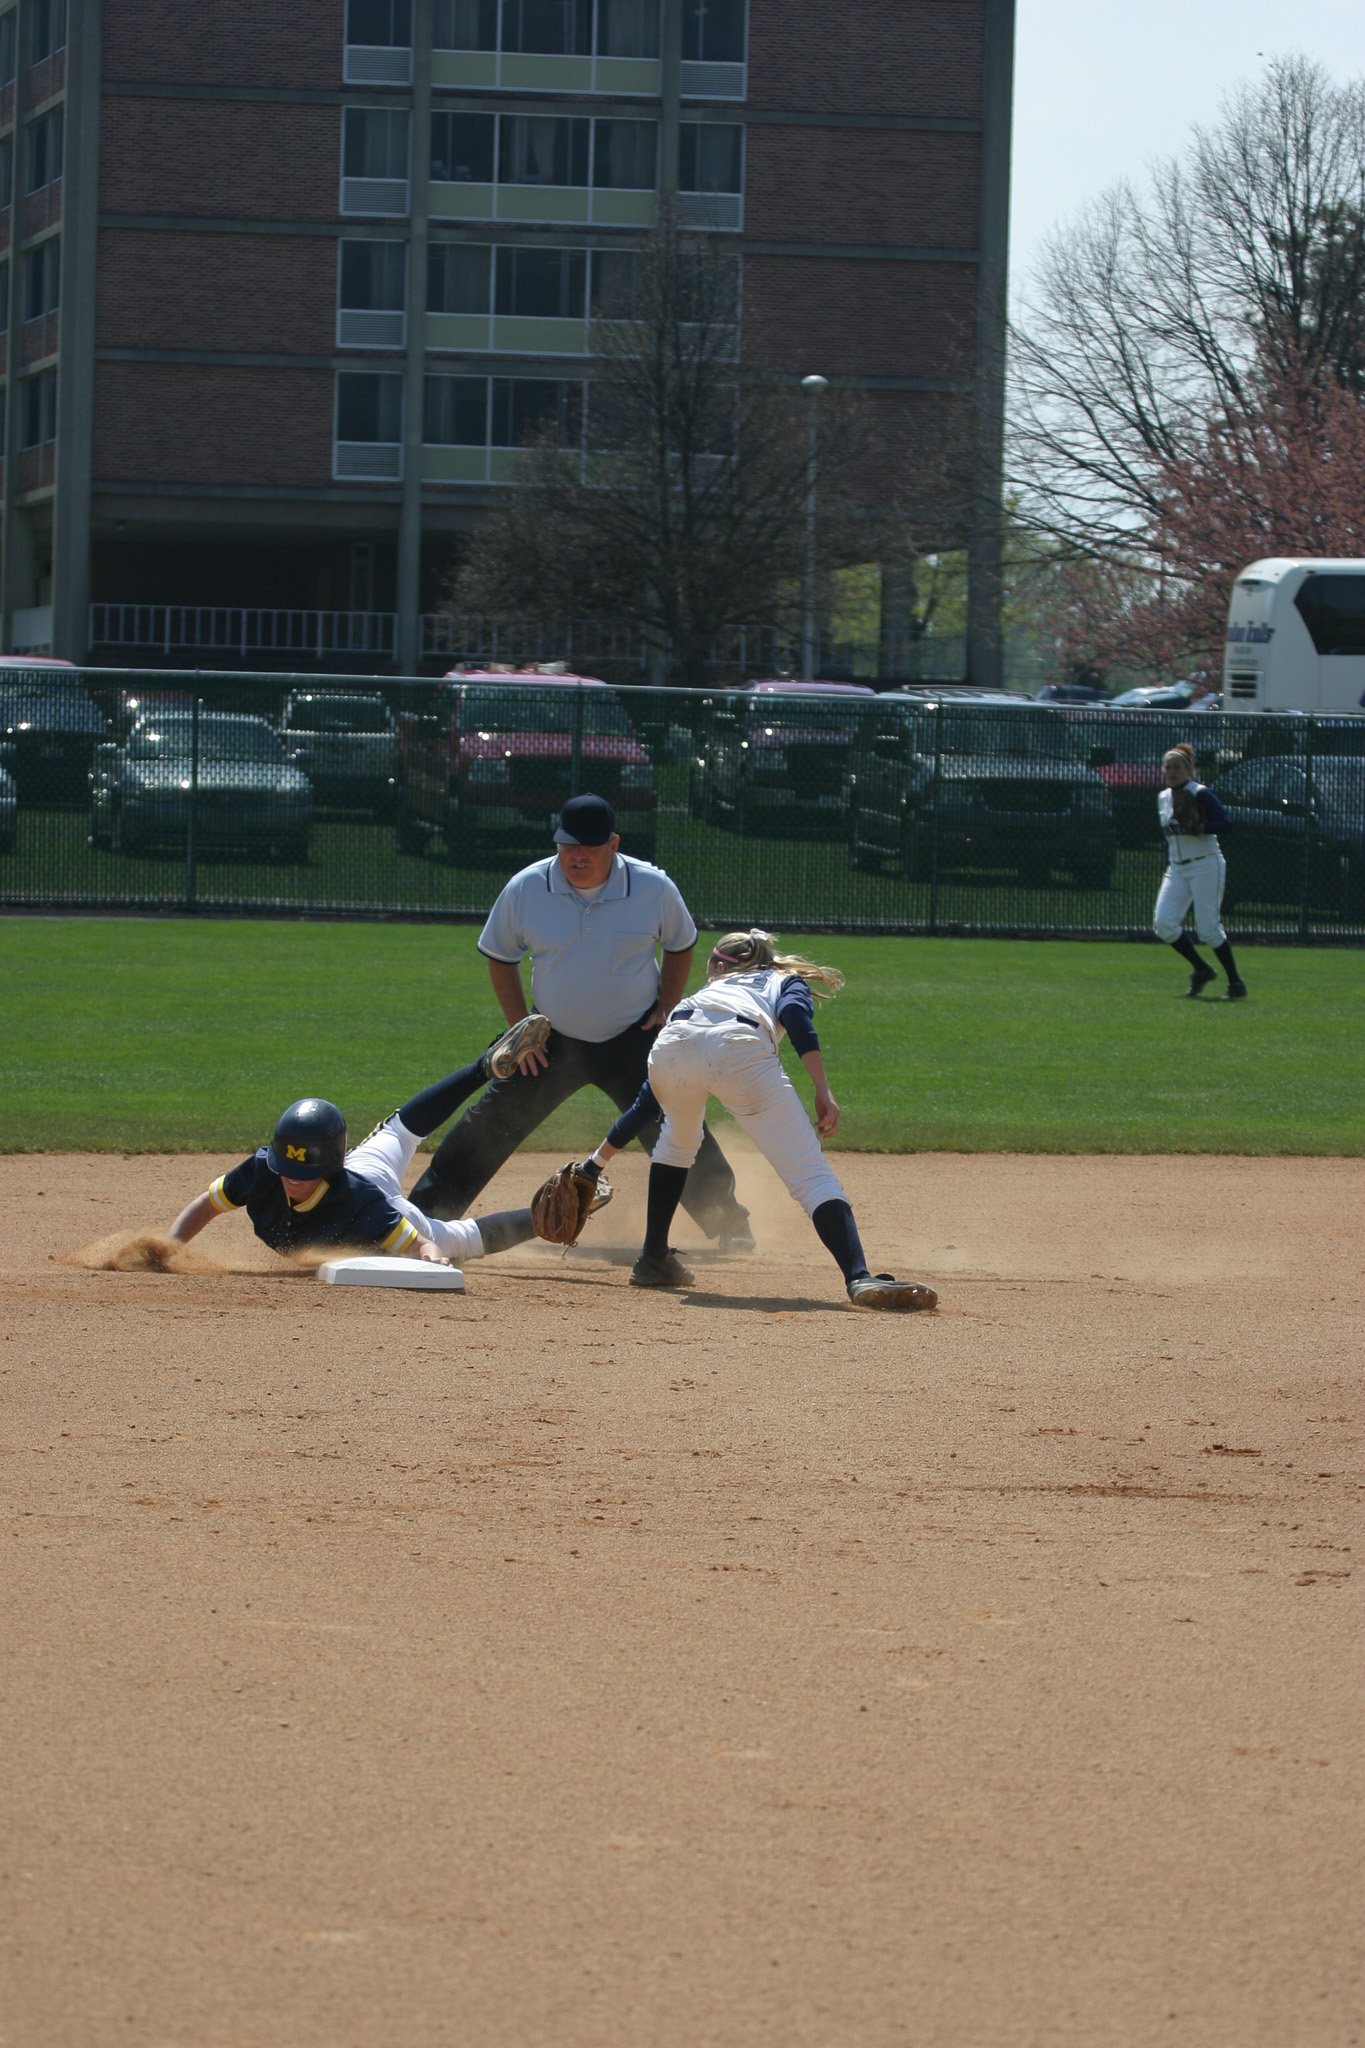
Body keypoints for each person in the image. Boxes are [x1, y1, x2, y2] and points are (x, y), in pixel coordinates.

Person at [408, 792, 753, 1247]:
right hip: (551, 1041)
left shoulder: (652, 887)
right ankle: (416, 1220)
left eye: (589, 847)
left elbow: (680, 943)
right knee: (487, 1125)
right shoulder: (527, 888)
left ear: (614, 844)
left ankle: (729, 1225)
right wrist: (520, 1033)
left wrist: (667, 1004)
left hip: (635, 1039)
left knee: (678, 1123)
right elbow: (500, 957)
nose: (577, 857)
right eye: (569, 846)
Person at [573, 927, 938, 1312]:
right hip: (739, 1048)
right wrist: (822, 1089)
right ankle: (858, 1276)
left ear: (717, 964)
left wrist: (593, 1164)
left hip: (671, 1043)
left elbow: (646, 1105)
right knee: (810, 1175)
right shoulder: (783, 980)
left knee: (676, 1142)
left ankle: (652, 1258)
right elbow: (796, 1016)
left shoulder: (702, 996)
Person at [166, 1016, 555, 1264]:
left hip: (374, 1193)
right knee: (401, 1129)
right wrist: (170, 1247)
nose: (291, 1177)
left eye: (304, 1172)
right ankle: (484, 1066)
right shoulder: (261, 1171)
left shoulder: (359, 1204)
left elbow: (420, 1243)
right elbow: (208, 1204)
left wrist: (432, 1256)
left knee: (458, 1238)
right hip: (360, 1167)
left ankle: (555, 1208)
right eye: (286, 1168)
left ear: (329, 1169)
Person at [1154, 743, 1246, 999]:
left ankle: (1235, 983)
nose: (1172, 771)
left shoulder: (1201, 793)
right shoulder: (1162, 798)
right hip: (1177, 868)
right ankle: (1202, 969)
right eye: (1168, 767)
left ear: (1189, 769)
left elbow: (1226, 824)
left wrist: (1202, 827)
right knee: (1164, 924)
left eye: (1177, 766)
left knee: (1208, 929)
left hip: (1206, 862)